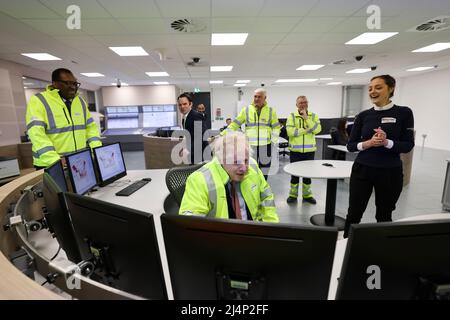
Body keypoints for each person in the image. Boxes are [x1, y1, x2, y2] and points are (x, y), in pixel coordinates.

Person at [344, 75, 415, 238]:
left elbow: (408, 145)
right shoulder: (363, 116)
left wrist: (386, 142)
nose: (372, 91)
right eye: (370, 88)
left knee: (384, 215)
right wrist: (368, 143)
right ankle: (345, 247)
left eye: (378, 87)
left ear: (391, 88)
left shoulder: (404, 113)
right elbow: (351, 145)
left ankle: (382, 249)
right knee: (354, 213)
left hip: (390, 172)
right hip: (362, 170)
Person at [179, 131, 279, 222]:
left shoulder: (253, 166)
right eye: (236, 162)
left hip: (254, 231)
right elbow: (191, 222)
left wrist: (270, 228)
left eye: (246, 160)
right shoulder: (200, 179)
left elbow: (267, 198)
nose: (244, 168)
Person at [25, 68, 102, 169]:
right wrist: (54, 160)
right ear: (55, 84)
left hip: (78, 161)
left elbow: (91, 128)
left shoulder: (80, 101)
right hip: (51, 164)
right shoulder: (39, 100)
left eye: (75, 84)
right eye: (67, 83)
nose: (73, 87)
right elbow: (36, 134)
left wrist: (96, 151)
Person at [223, 88, 280, 180]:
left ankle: (262, 190)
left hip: (266, 146)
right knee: (249, 170)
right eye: (255, 96)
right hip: (250, 146)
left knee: (264, 171)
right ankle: (251, 190)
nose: (256, 99)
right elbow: (234, 124)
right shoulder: (246, 110)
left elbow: (276, 127)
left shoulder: (270, 111)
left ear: (265, 98)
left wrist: (273, 141)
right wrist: (223, 134)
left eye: (259, 97)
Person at [286, 96, 322, 204]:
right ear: (296, 105)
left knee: (307, 175)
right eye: (300, 103)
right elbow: (290, 132)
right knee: (294, 174)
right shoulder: (292, 116)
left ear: (308, 103)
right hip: (295, 151)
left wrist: (307, 118)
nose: (303, 104)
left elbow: (317, 130)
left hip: (309, 151)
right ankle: (293, 195)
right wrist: (306, 130)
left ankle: (307, 196)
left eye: (305, 102)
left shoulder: (314, 116)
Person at [177, 93, 207, 164]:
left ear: (190, 104)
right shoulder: (184, 118)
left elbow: (200, 136)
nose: (182, 107)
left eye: (185, 104)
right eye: (180, 105)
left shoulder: (196, 116)